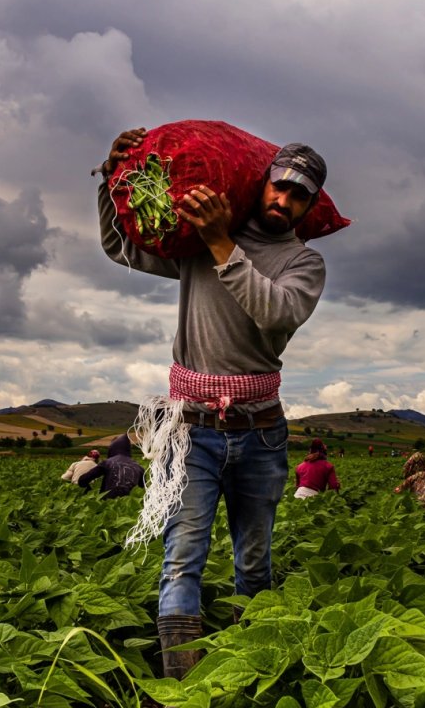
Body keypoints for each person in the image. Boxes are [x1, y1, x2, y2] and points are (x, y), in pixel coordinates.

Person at [97, 128, 332, 680]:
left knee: (254, 562)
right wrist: (111, 181)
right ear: (263, 184)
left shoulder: (303, 263)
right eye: (278, 187)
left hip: (261, 433)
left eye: (298, 196)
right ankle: (184, 687)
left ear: (310, 204)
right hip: (193, 430)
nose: (283, 201)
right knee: (182, 562)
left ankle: (251, 671)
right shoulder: (200, 242)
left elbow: (275, 313)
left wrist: (223, 244)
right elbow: (121, 247)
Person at [77, 435, 145, 498]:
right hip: (129, 504)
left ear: (112, 448)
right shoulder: (139, 468)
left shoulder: (107, 463)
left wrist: (89, 490)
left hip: (108, 503)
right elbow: (143, 490)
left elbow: (83, 480)